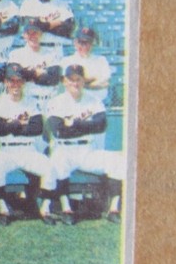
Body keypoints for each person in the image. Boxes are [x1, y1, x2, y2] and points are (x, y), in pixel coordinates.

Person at [45, 65, 126, 224]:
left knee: (117, 161)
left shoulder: (94, 101)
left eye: (78, 79)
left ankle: (113, 209)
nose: (75, 83)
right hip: (64, 149)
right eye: (71, 80)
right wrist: (87, 125)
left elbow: (101, 125)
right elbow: (59, 131)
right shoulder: (56, 102)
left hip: (87, 150)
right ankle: (66, 209)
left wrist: (74, 124)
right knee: (58, 163)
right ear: (64, 81)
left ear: (83, 81)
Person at [0, 63, 52, 225]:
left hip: (28, 150)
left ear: (24, 82)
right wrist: (20, 124)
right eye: (11, 81)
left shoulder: (31, 102)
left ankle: (45, 209)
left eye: (19, 81)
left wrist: (10, 125)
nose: (15, 84)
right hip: (6, 151)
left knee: (49, 168)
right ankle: (3, 209)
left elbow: (37, 128)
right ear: (5, 82)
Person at [7, 22, 62, 113]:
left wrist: (29, 74)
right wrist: (38, 73)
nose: (33, 36)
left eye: (35, 32)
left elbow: (54, 79)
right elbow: (14, 78)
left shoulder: (52, 54)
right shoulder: (16, 55)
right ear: (24, 35)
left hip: (49, 103)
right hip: (27, 102)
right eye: (29, 33)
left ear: (41, 34)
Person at [59, 27, 112, 107]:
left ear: (92, 43)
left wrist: (80, 83)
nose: (84, 46)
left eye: (88, 42)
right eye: (81, 42)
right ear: (75, 42)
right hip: (74, 105)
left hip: (98, 104)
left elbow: (105, 83)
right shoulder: (66, 61)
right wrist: (93, 79)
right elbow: (66, 83)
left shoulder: (101, 60)